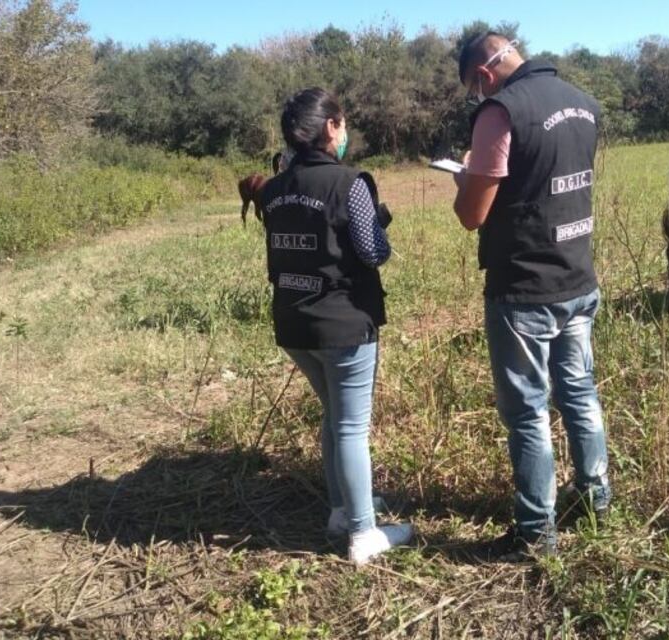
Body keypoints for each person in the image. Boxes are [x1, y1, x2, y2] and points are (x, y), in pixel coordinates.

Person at [451, 33, 611, 560]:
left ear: (483, 74)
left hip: (524, 289)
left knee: (527, 413)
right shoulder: (585, 103)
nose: (476, 96)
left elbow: (473, 214)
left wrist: (463, 180)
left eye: (473, 87)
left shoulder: (499, 113)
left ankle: (536, 531)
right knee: (581, 395)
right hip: (579, 278)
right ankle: (595, 500)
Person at [260, 87, 413, 565]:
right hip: (343, 324)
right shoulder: (350, 184)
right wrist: (382, 227)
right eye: (341, 123)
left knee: (333, 418)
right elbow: (373, 253)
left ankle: (341, 509)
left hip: (294, 324)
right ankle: (364, 534)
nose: (345, 132)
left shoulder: (274, 187)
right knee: (351, 427)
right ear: (330, 127)